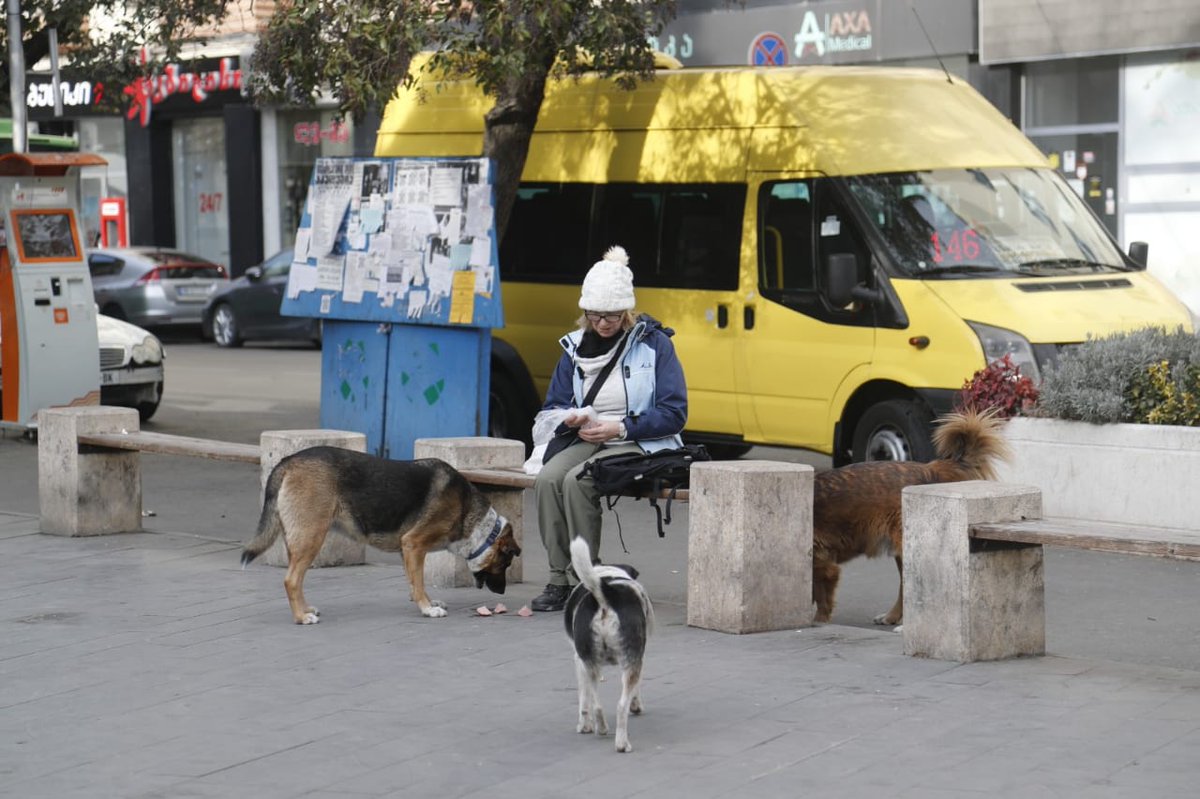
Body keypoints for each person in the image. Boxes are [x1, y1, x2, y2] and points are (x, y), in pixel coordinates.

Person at [530, 245, 688, 612]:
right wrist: (570, 418)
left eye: (613, 316)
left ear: (627, 311)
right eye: (596, 315)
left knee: (578, 481)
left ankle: (586, 580)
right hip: (589, 435)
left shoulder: (655, 345)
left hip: (641, 439)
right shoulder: (573, 347)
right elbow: (553, 406)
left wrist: (618, 428)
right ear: (585, 312)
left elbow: (674, 412)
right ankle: (558, 579)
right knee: (548, 479)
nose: (603, 323)